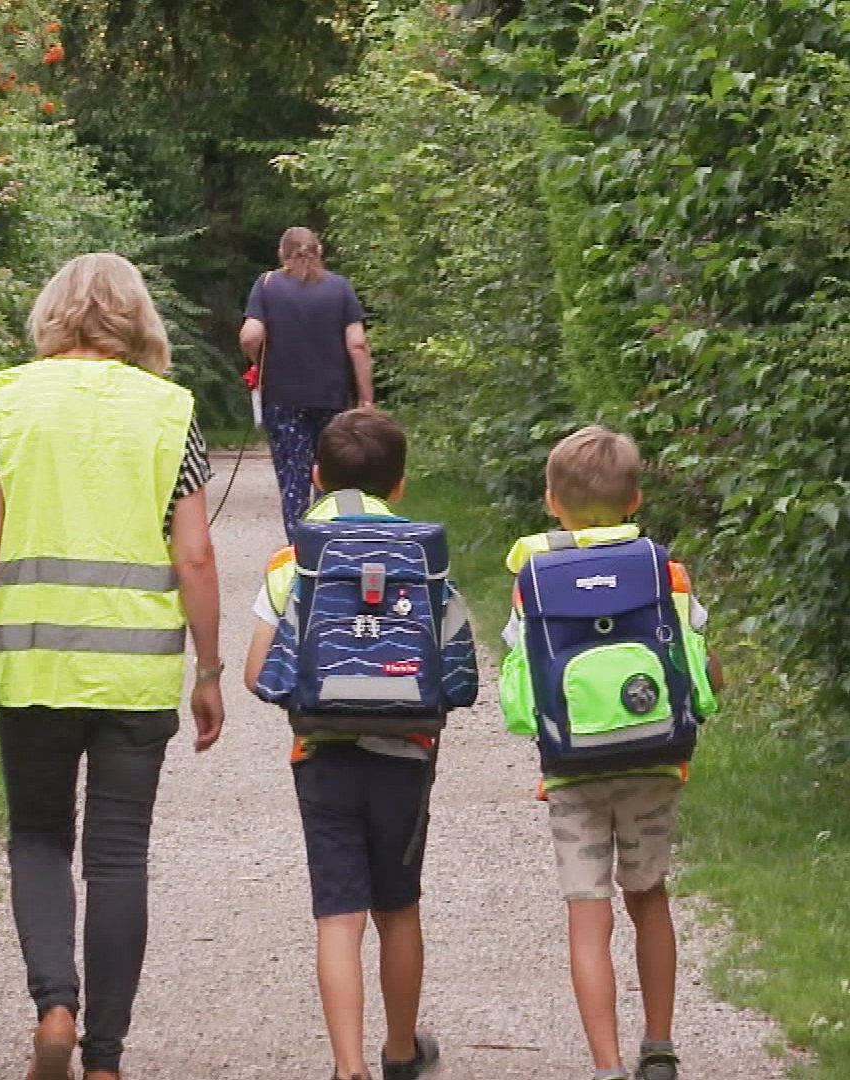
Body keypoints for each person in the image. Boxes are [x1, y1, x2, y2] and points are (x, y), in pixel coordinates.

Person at [0, 252, 227, 1080]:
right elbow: (199, 555)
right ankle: (104, 1060)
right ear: (137, 317)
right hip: (136, 674)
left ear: (53, 312)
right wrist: (207, 671)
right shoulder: (172, 412)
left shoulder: (6, 400)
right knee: (117, 856)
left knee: (37, 840)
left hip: (34, 666)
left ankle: (55, 1011)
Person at [498, 426, 724, 1080]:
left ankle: (605, 1065)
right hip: (654, 760)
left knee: (587, 913)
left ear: (551, 501)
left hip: (573, 768)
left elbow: (520, 672)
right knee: (648, 896)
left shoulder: (533, 579)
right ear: (636, 498)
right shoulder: (665, 570)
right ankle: (658, 1045)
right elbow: (699, 655)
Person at [243, 409, 459, 1080]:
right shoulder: (426, 555)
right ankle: (400, 1051)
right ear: (399, 485)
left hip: (323, 756)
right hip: (406, 754)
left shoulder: (294, 560)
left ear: (315, 477)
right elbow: (452, 663)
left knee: (339, 914)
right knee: (399, 908)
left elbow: (258, 672)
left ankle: (348, 1066)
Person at [238, 226, 376, 539]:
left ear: (281, 254)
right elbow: (357, 344)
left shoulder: (267, 285)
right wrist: (366, 400)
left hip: (282, 399)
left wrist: (260, 363)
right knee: (331, 476)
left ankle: (300, 551)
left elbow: (250, 335)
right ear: (320, 251)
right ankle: (331, 547)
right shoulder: (340, 289)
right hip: (332, 400)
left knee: (293, 480)